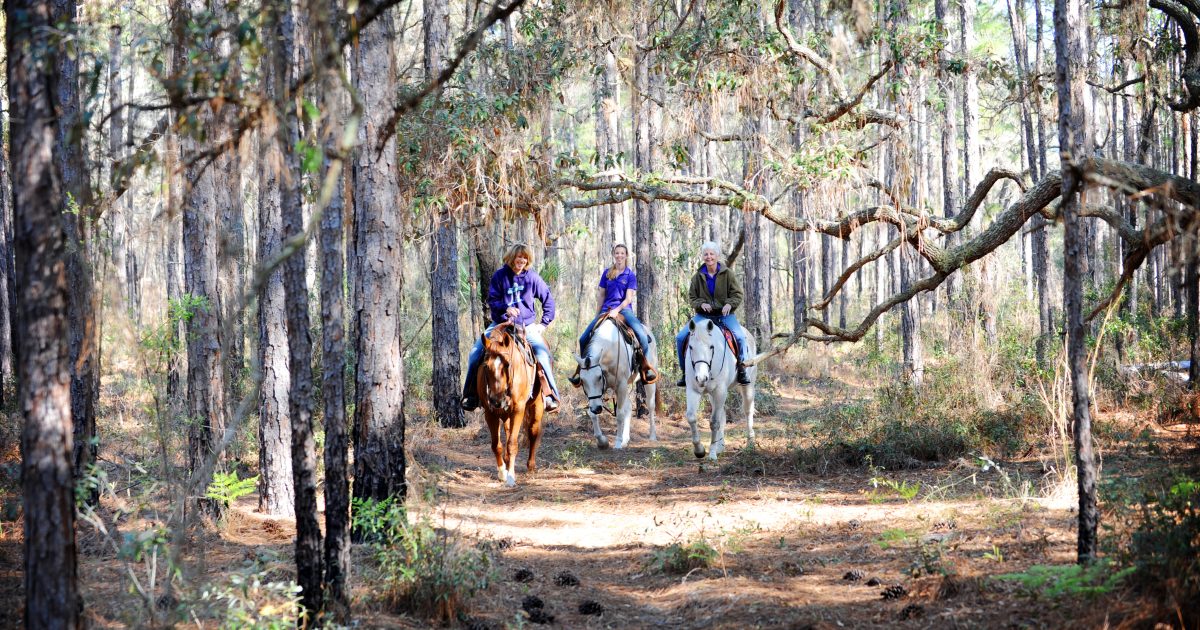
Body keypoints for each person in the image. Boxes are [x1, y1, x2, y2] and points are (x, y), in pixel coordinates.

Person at [461, 243, 561, 413]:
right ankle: (471, 395)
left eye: (525, 257)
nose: (521, 260)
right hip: (500, 325)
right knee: (475, 353)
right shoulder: (500, 276)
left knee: (543, 355)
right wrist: (505, 308)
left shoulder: (532, 278)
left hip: (526, 327)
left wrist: (543, 325)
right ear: (511, 257)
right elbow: (492, 300)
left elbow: (548, 300)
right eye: (518, 257)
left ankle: (550, 395)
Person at [568, 244, 660, 386]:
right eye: (617, 253)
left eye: (622, 253)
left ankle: (646, 367)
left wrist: (617, 310)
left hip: (624, 310)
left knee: (642, 336)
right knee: (583, 338)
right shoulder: (607, 273)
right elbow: (601, 295)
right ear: (614, 255)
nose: (619, 256)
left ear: (626, 255)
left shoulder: (630, 275)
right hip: (606, 310)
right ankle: (582, 370)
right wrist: (597, 315)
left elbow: (628, 298)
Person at [675, 241, 751, 386]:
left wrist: (729, 304)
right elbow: (692, 298)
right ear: (703, 257)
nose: (709, 257)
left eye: (711, 254)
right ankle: (685, 373)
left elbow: (737, 294)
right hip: (703, 316)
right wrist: (701, 304)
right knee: (680, 338)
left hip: (724, 315)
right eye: (706, 254)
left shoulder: (727, 274)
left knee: (740, 337)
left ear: (717, 255)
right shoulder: (698, 277)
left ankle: (742, 369)